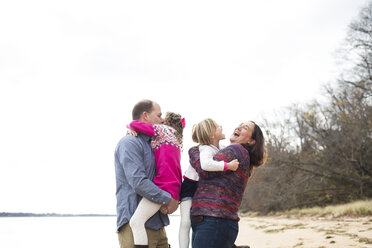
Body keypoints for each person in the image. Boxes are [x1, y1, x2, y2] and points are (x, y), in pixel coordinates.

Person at [189, 121, 267, 248]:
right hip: (214, 221)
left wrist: (194, 151)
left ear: (251, 141)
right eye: (240, 124)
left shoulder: (236, 149)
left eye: (245, 127)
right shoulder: (238, 153)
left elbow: (204, 170)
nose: (238, 127)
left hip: (214, 220)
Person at [114, 99, 178, 248]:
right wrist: (168, 199)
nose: (162, 120)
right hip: (133, 226)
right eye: (159, 115)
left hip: (158, 225)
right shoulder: (129, 143)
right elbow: (138, 182)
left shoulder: (157, 144)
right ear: (146, 116)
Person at [179, 118, 239, 248]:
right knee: (185, 222)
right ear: (212, 135)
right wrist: (227, 165)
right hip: (190, 187)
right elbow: (205, 165)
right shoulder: (206, 149)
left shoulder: (222, 148)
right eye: (218, 126)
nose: (221, 126)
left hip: (202, 189)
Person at [128, 112, 185, 247]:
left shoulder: (162, 130)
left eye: (161, 118)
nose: (158, 120)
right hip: (173, 188)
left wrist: (131, 128)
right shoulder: (175, 140)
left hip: (162, 186)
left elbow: (133, 123)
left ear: (165, 122)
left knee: (136, 222)